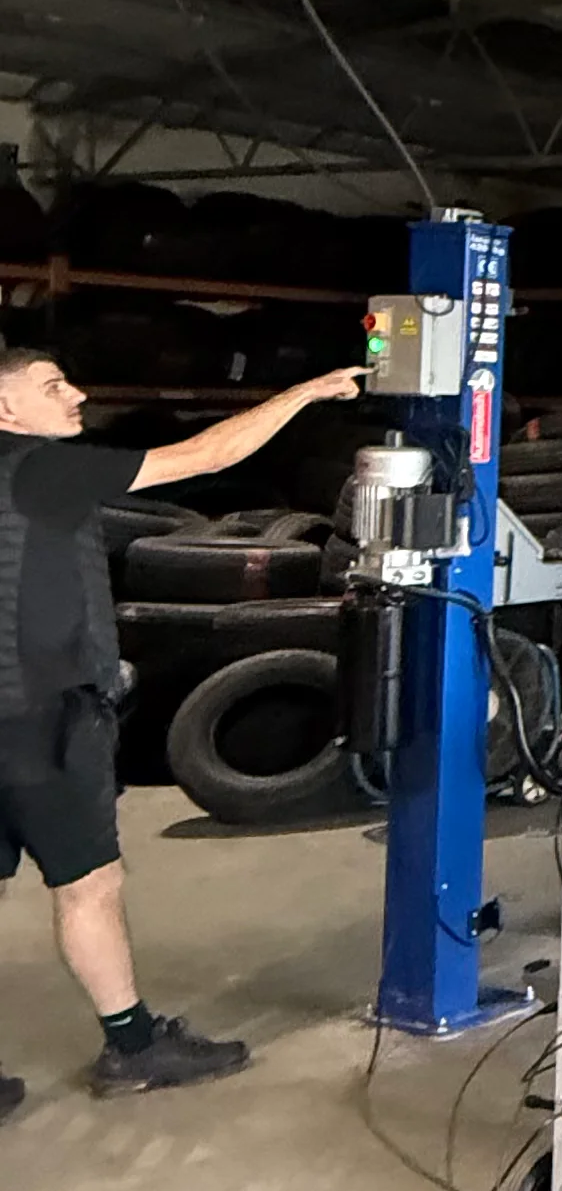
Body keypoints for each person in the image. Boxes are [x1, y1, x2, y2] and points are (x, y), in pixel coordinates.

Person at [0, 342, 366, 1116]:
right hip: (42, 720)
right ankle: (134, 1047)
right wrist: (305, 393)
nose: (77, 393)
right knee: (89, 885)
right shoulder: (43, 471)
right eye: (53, 385)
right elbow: (207, 453)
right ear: (7, 410)